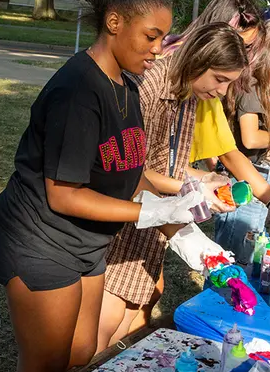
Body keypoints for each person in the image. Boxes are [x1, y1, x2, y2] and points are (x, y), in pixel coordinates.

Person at [0, 0, 189, 372]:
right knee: (43, 366)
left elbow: (127, 166)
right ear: (114, 23)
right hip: (40, 236)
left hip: (87, 242)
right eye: (152, 36)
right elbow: (63, 195)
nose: (159, 49)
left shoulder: (129, 86)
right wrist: (148, 214)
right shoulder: (78, 92)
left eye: (163, 37)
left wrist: (179, 192)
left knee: (80, 352)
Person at [98, 22, 249, 351]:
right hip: (122, 229)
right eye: (220, 79)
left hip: (151, 225)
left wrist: (200, 179)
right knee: (96, 345)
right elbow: (129, 171)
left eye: (229, 83)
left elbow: (160, 162)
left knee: (121, 336)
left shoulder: (189, 93)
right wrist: (189, 186)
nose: (222, 91)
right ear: (197, 59)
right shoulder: (148, 86)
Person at [216, 19, 270, 261]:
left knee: (248, 252)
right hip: (246, 179)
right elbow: (251, 138)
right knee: (235, 257)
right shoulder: (251, 85)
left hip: (257, 176)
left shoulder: (261, 85)